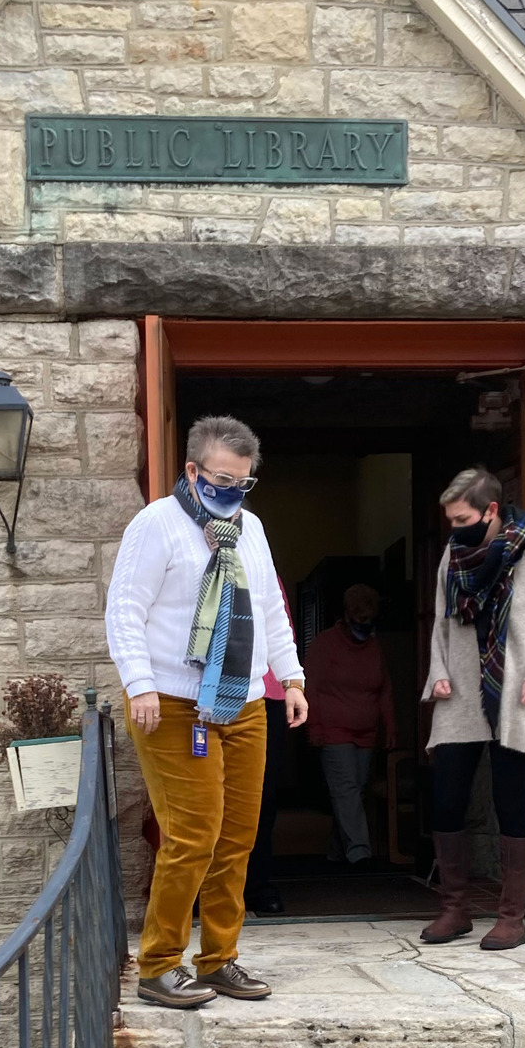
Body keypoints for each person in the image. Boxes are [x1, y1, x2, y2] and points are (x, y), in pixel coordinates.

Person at [106, 415, 308, 1009]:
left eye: (245, 483)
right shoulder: (156, 525)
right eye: (223, 479)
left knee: (238, 837)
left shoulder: (251, 529)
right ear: (192, 471)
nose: (233, 491)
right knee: (193, 835)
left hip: (243, 699)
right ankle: (159, 963)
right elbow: (125, 609)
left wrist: (290, 677)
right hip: (171, 700)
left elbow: (270, 606)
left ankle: (220, 957)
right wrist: (139, 684)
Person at [421, 466, 525, 950]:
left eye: (461, 518)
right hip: (461, 692)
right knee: (446, 799)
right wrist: (437, 671)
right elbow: (443, 622)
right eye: (449, 520)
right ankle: (454, 909)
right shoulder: (453, 553)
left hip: (515, 691)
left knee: (511, 804)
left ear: (490, 510)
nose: (454, 529)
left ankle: (511, 917)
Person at [305, 582, 397, 868]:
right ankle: (360, 854)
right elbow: (311, 687)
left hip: (367, 733)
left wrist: (390, 727)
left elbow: (384, 689)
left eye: (369, 622)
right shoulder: (325, 644)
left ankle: (337, 852)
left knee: (353, 792)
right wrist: (315, 729)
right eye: (359, 622)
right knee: (346, 791)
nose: (364, 627)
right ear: (346, 616)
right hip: (334, 732)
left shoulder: (374, 647)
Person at [244, 576, 294, 917]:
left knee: (261, 798)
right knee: (210, 800)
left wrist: (294, 684)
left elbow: (282, 630)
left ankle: (257, 886)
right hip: (207, 694)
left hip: (267, 696)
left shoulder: (265, 571)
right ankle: (210, 891)